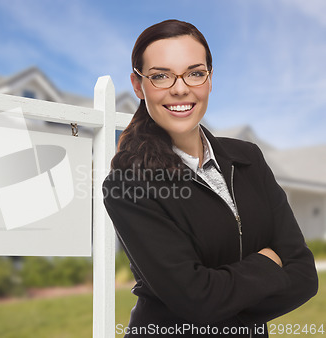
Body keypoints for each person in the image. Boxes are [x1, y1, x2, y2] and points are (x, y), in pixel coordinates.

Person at [103, 19, 318, 337]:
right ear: (138, 85)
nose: (180, 88)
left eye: (194, 72)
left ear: (210, 78)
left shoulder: (247, 159)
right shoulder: (128, 184)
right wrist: (269, 263)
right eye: (161, 76)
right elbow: (196, 301)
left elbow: (304, 276)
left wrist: (218, 302)